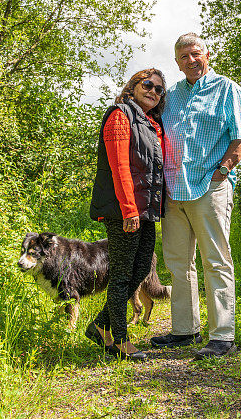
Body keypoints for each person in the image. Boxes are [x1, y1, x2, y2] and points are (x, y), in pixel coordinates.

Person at [150, 33, 241, 359]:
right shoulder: (171, 96)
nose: (191, 60)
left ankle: (223, 336)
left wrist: (221, 173)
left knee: (216, 261)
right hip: (173, 190)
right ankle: (185, 330)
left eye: (196, 54)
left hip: (209, 188)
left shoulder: (227, 89)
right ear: (177, 63)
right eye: (184, 57)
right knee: (179, 264)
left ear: (207, 54)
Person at [88, 68, 167, 361]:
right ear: (133, 86)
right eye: (148, 85)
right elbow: (119, 166)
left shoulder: (150, 123)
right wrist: (129, 210)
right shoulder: (120, 116)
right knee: (122, 275)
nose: (153, 92)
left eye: (159, 90)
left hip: (145, 210)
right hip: (125, 210)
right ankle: (119, 340)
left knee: (142, 267)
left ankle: (99, 325)